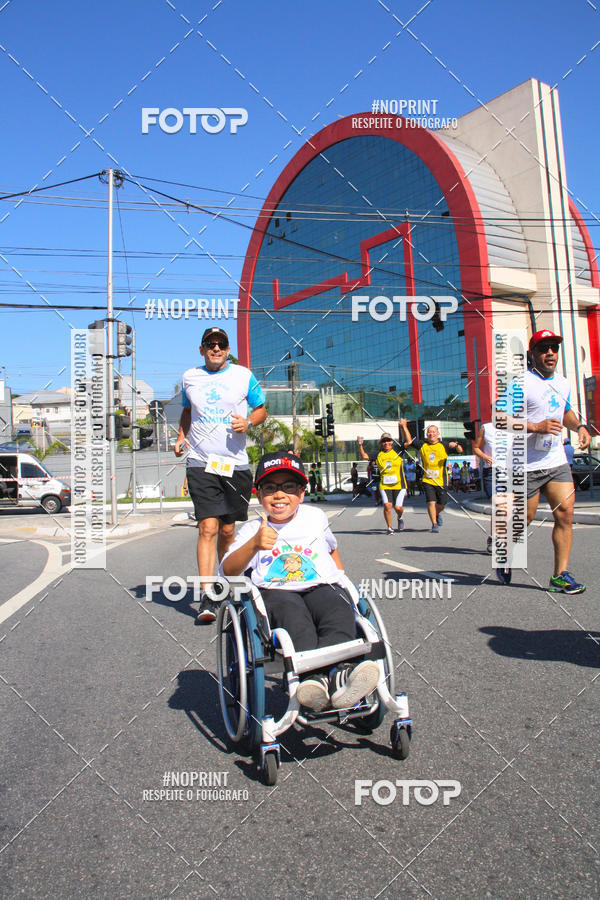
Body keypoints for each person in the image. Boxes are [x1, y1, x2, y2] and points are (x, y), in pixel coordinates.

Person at [221, 452, 380, 711]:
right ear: (259, 495)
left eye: (288, 487)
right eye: (270, 488)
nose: (280, 494)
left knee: (338, 611)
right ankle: (311, 680)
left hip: (321, 586)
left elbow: (331, 549)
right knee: (294, 620)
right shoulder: (251, 529)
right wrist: (253, 546)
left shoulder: (315, 517)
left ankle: (338, 674)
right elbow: (228, 571)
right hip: (277, 591)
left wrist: (341, 579)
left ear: (302, 493)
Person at [174, 326, 267, 623]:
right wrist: (181, 436)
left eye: (221, 344)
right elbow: (188, 412)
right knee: (208, 528)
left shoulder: (243, 375)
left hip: (234, 464)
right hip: (201, 461)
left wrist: (249, 423)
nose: (216, 348)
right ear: (201, 349)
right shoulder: (190, 377)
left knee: (228, 531)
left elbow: (261, 409)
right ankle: (208, 594)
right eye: (210, 344)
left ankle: (226, 583)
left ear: (228, 350)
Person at [499, 330, 591, 592]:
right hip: (525, 464)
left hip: (555, 460)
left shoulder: (563, 382)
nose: (550, 352)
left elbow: (566, 412)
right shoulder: (520, 383)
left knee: (565, 513)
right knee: (523, 518)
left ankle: (559, 576)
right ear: (533, 354)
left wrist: (580, 427)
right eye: (543, 348)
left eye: (554, 347)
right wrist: (535, 426)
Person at [404, 423, 463, 532]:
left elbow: (460, 450)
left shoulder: (444, 445)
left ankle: (437, 514)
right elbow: (409, 441)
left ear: (438, 433)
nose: (431, 434)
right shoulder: (422, 444)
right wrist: (404, 426)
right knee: (431, 502)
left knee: (442, 504)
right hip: (427, 479)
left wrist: (456, 445)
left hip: (441, 480)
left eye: (433, 432)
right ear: (427, 434)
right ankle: (434, 524)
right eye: (429, 432)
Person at [357, 423, 411, 534]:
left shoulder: (398, 450)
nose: (386, 443)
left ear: (391, 442)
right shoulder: (378, 454)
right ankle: (389, 527)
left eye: (388, 441)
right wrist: (360, 445)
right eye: (384, 441)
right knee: (387, 505)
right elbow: (365, 456)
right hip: (385, 485)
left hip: (399, 484)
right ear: (381, 443)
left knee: (398, 508)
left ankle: (400, 517)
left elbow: (408, 442)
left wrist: (404, 427)